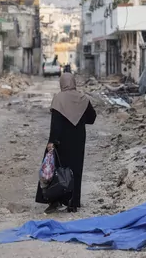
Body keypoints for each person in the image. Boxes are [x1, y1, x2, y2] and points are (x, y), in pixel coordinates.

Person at [35, 72, 97, 214]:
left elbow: (55, 123)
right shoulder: (83, 98)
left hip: (61, 140)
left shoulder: (58, 99)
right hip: (78, 139)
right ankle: (73, 203)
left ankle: (55, 200)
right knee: (76, 170)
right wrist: (79, 120)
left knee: (57, 169)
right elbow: (92, 118)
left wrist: (52, 141)